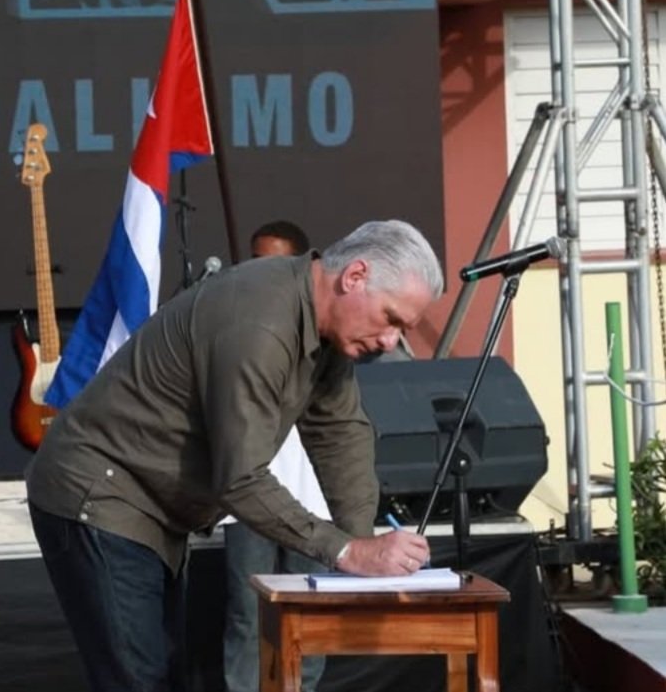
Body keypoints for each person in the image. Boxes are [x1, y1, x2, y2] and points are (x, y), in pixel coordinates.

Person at [26, 218, 444, 692]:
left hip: (153, 507)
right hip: (99, 493)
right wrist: (349, 551)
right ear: (354, 277)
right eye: (391, 319)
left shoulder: (324, 328)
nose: (391, 342)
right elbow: (241, 479)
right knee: (140, 682)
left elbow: (340, 434)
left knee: (164, 678)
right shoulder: (261, 321)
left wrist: (364, 548)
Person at [221, 219, 330, 692]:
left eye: (273, 264)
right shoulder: (235, 325)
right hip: (251, 497)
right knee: (248, 616)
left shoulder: (324, 330)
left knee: (310, 617)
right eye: (254, 263)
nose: (261, 274)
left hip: (312, 501)